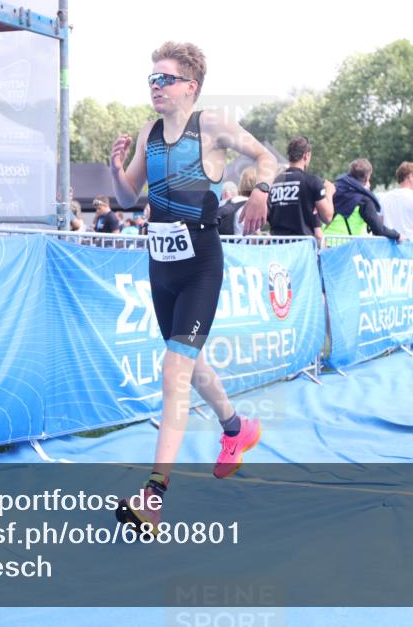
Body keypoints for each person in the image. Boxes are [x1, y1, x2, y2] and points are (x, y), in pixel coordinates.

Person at [108, 41, 276, 532]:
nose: (155, 87)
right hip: (160, 264)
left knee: (174, 371)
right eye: (151, 79)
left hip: (201, 263)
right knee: (193, 365)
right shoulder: (148, 132)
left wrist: (261, 190)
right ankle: (236, 428)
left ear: (190, 87)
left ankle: (153, 496)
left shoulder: (212, 125)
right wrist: (117, 170)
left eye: (164, 79)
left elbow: (266, 157)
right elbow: (128, 195)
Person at [267, 136, 333, 237]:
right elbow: (327, 217)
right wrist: (329, 192)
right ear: (306, 155)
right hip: (301, 247)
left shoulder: (274, 182)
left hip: (277, 245)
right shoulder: (312, 181)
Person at [324, 158, 401, 241]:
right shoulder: (364, 200)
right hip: (347, 246)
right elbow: (379, 229)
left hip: (325, 241)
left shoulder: (333, 190)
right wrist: (397, 235)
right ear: (367, 177)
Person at [379, 162, 413, 241]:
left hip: (390, 248)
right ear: (411, 176)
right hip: (411, 247)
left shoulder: (384, 198)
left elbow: (380, 224)